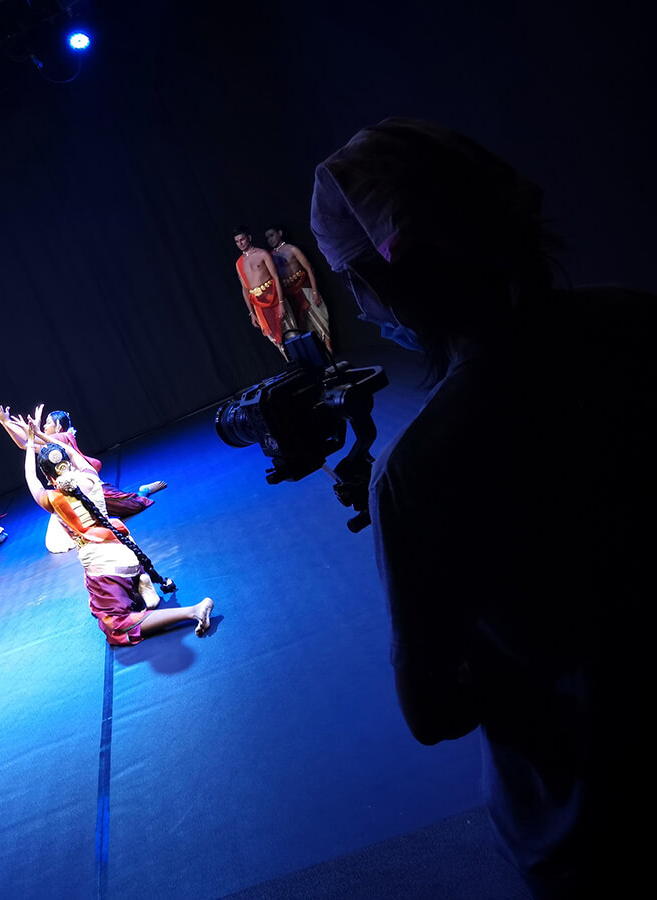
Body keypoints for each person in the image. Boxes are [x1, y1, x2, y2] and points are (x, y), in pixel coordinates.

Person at [311, 117, 653, 899]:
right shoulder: (640, 320)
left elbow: (431, 710)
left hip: (591, 830)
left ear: (383, 283)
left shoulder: (420, 470)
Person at [23, 430, 212, 645]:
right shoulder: (89, 477)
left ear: (48, 477)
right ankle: (139, 579)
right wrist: (43, 436)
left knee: (115, 625)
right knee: (97, 602)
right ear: (69, 462)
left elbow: (30, 478)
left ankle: (194, 611)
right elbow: (72, 453)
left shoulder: (51, 498)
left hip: (103, 562)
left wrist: (31, 443)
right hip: (124, 547)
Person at [0, 404, 166, 552]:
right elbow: (24, 444)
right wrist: (6, 424)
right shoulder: (50, 444)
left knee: (132, 504)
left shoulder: (64, 437)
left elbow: (30, 439)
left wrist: (10, 422)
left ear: (59, 427)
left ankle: (143, 490)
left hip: (87, 488)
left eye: (48, 423)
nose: (45, 427)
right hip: (69, 492)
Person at [264, 226, 333, 353]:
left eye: (272, 235)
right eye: (267, 237)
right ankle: (318, 354)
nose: (270, 239)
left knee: (320, 317)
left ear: (280, 233)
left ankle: (329, 349)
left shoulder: (292, 249)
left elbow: (309, 269)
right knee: (303, 326)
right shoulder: (270, 256)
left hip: (304, 288)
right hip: (289, 295)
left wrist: (315, 292)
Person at [233, 225, 292, 358]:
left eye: (242, 239)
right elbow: (245, 289)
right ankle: (292, 363)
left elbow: (276, 277)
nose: (240, 243)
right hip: (259, 305)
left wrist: (282, 302)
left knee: (290, 331)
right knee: (276, 339)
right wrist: (251, 313)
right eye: (237, 241)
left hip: (275, 297)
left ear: (249, 238)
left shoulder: (262, 254)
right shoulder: (238, 263)